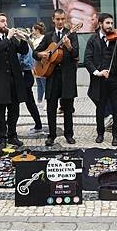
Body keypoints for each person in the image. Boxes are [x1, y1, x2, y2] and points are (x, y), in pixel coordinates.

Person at [84, 13, 117, 146]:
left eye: (112, 23)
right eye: (107, 23)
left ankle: (116, 136)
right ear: (100, 24)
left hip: (115, 79)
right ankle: (100, 133)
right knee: (100, 108)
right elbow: (87, 60)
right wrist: (97, 72)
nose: (110, 26)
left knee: (116, 108)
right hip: (100, 80)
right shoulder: (92, 40)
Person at [34, 9, 79, 146]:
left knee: (67, 107)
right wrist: (41, 55)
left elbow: (76, 54)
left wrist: (69, 46)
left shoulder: (72, 34)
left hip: (67, 76)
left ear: (65, 20)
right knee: (51, 107)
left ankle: (69, 134)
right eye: (57, 19)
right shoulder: (48, 36)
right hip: (52, 75)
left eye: (62, 19)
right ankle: (51, 135)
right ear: (53, 19)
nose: (60, 22)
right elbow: (35, 53)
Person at [0, 13, 28, 149]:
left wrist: (22, 39)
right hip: (0, 80)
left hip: (14, 79)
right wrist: (8, 38)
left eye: (6, 21)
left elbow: (24, 51)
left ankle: (12, 135)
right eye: (2, 21)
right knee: (1, 111)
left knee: (14, 110)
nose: (5, 23)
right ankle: (2, 137)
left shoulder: (10, 37)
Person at [32, 22, 47, 112]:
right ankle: (39, 100)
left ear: (37, 30)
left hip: (42, 63)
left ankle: (46, 102)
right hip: (36, 63)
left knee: (44, 83)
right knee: (39, 83)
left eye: (33, 30)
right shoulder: (34, 39)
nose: (32, 31)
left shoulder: (43, 39)